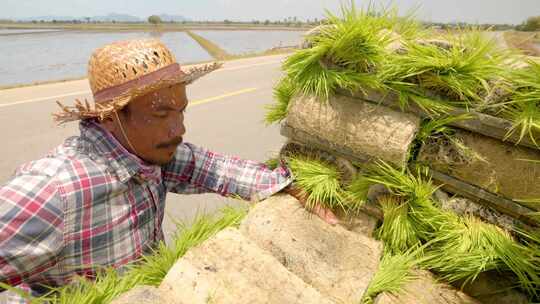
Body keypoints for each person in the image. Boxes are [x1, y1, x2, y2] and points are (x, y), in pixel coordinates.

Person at [0, 39, 338, 303]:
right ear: (109, 116)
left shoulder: (152, 155)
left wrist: (286, 184)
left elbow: (215, 169)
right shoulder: (52, 192)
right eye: (160, 114)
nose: (178, 128)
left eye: (181, 110)